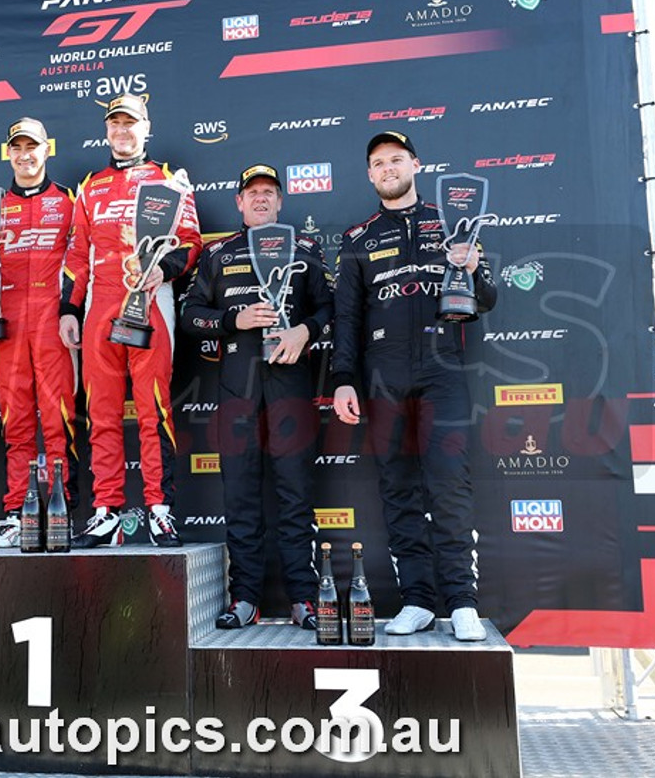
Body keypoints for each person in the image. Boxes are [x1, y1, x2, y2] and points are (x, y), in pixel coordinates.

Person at [331, 131, 496, 642]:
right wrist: (341, 380)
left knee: (449, 484)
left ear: (416, 165)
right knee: (398, 490)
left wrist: (470, 265)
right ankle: (419, 601)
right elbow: (347, 318)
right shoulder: (357, 238)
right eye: (378, 162)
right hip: (382, 374)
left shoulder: (453, 222)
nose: (387, 168)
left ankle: (462, 602)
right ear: (369, 174)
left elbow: (487, 298)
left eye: (396, 160)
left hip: (442, 369)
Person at [180, 163, 333, 630]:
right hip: (237, 390)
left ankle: (303, 600)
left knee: (295, 495)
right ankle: (245, 598)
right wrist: (233, 321)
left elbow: (331, 309)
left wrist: (304, 331)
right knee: (241, 497)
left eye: (270, 192)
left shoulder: (305, 249)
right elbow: (189, 315)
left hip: (291, 387)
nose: (262, 199)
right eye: (253, 193)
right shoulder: (218, 254)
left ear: (281, 201)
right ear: (239, 203)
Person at [58, 94, 202, 548]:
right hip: (101, 304)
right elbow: (77, 254)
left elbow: (192, 241)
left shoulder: (169, 181)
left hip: (151, 301)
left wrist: (166, 269)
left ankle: (159, 509)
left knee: (153, 409)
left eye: (130, 123)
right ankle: (107, 512)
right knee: (99, 412)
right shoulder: (91, 186)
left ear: (147, 127)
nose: (122, 131)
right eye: (114, 124)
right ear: (107, 131)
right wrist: (68, 309)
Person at [0, 118, 80, 547]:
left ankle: (59, 508)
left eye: (33, 146)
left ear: (47, 149)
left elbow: (81, 261)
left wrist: (70, 310)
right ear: (8, 152)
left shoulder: (69, 201)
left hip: (53, 323)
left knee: (57, 420)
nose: (25, 155)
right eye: (17, 147)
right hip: (7, 325)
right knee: (15, 424)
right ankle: (17, 513)